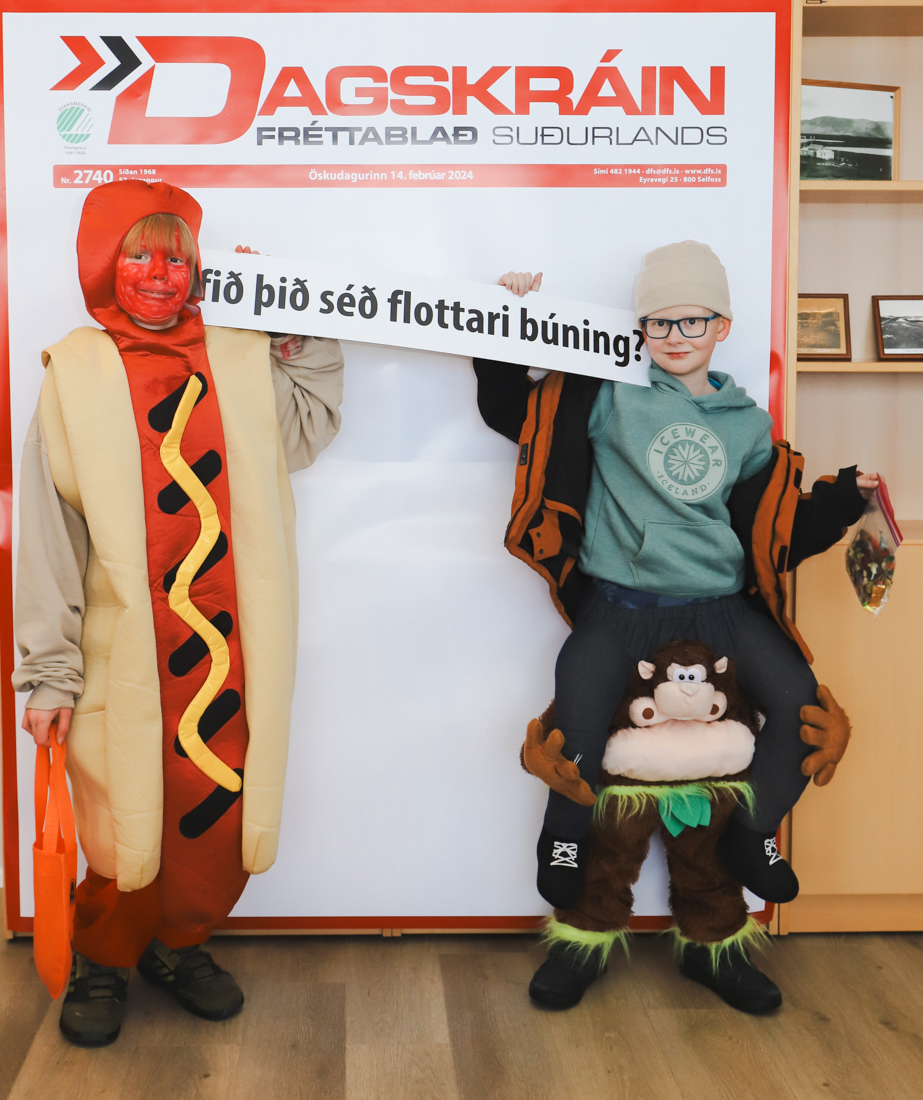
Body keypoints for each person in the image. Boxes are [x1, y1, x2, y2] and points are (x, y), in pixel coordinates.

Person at [472, 241, 874, 1004]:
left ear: (722, 326)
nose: (675, 335)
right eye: (658, 321)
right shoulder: (607, 394)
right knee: (577, 722)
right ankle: (563, 850)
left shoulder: (746, 423)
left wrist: (845, 498)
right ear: (640, 327)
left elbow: (773, 527)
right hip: (621, 605)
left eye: (692, 320)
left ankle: (751, 841)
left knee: (803, 708)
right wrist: (504, 321)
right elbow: (513, 415)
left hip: (719, 608)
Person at [13, 180, 343, 1046]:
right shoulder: (74, 374)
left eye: (176, 258)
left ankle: (179, 943)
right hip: (125, 653)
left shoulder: (239, 357)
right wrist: (48, 671)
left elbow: (305, 431)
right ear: (105, 265)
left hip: (234, 649)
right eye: (139, 256)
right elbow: (48, 534)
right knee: (121, 823)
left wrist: (290, 327)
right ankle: (104, 956)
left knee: (218, 815)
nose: (159, 274)